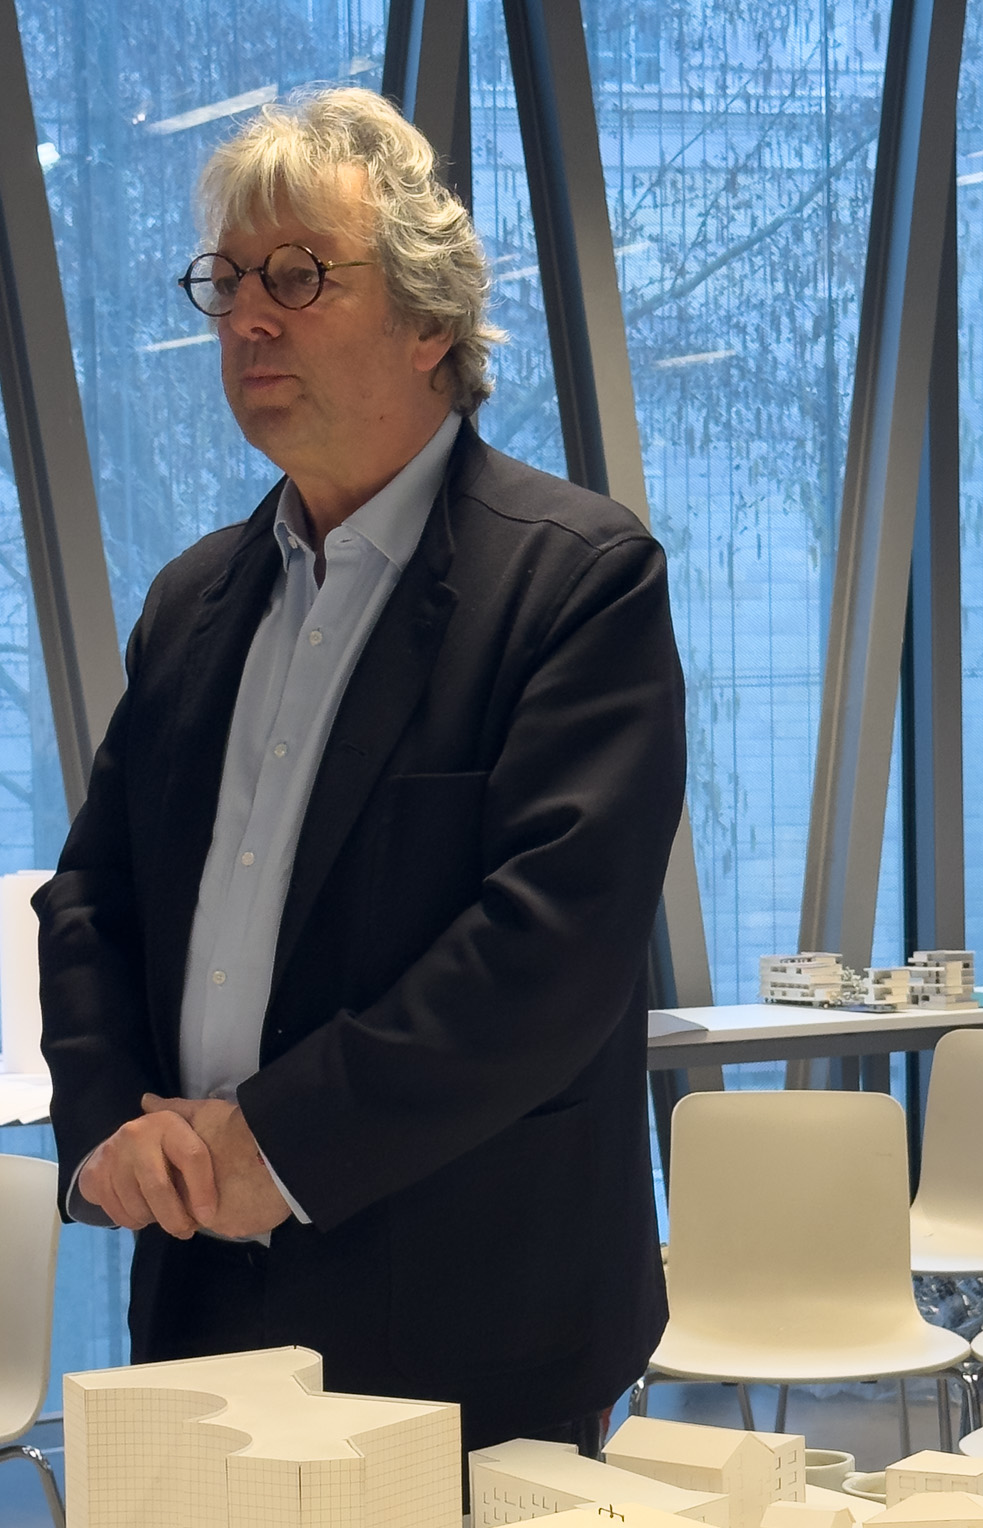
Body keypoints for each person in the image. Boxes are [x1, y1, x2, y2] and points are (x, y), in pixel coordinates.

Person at [35, 88, 685, 1458]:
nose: (247, 319)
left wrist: (273, 1147)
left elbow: (546, 954)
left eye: (297, 277)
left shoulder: (576, 582)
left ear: (429, 319)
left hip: (471, 1323)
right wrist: (109, 1132)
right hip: (204, 1301)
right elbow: (93, 901)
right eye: (227, 281)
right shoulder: (192, 601)